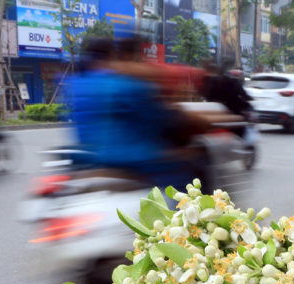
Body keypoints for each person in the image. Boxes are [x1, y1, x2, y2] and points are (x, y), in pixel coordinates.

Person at [66, 37, 209, 189]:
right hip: (134, 161)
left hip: (89, 159)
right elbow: (160, 118)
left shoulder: (74, 84)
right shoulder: (128, 84)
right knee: (192, 168)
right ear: (114, 56)